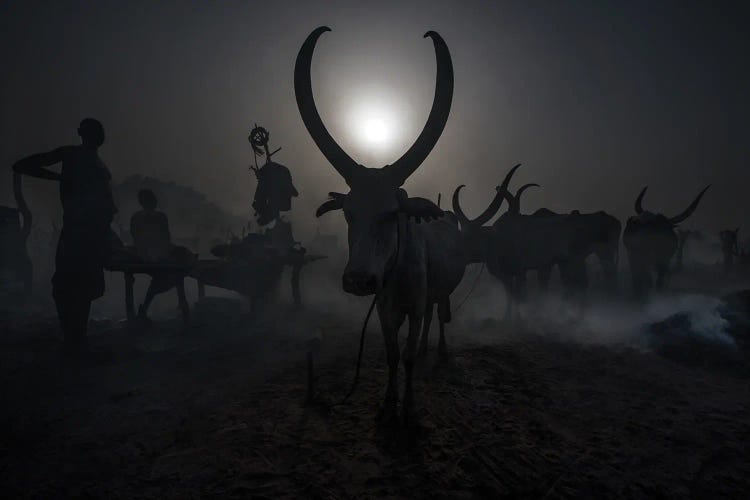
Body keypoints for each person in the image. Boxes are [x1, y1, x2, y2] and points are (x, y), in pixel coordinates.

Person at [12, 118, 117, 354]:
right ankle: (74, 337)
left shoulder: (93, 165)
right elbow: (23, 165)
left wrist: (59, 179)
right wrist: (58, 178)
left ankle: (75, 338)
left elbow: (23, 166)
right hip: (83, 232)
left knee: (73, 287)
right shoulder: (86, 161)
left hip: (82, 232)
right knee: (73, 287)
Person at [129, 188, 192, 321]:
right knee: (175, 273)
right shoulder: (154, 217)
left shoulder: (138, 218)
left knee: (177, 269)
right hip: (152, 256)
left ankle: (179, 304)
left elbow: (161, 240)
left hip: (153, 254)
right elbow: (159, 239)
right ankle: (182, 304)